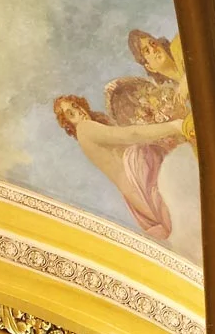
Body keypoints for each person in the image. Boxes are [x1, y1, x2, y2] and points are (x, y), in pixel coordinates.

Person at [52, 95, 187, 241]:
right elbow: (131, 134)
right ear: (68, 123)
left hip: (137, 200)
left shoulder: (85, 137)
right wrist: (174, 127)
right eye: (71, 114)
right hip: (141, 179)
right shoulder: (85, 128)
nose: (78, 112)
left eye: (76, 106)